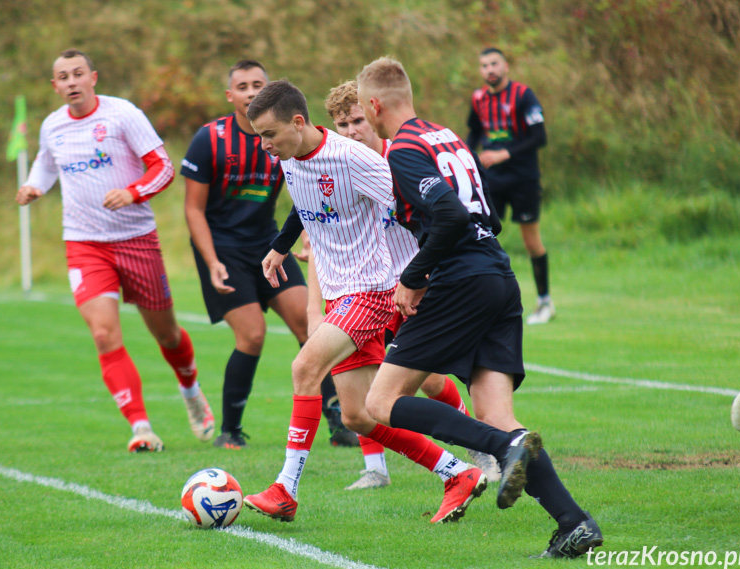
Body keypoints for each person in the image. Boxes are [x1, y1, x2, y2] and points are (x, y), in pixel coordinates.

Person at [357, 57, 603, 558]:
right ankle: (574, 522)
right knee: (497, 415)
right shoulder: (446, 136)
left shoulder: (402, 149)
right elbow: (482, 208)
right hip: (497, 274)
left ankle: (499, 450)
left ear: (374, 105)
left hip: (462, 280)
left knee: (378, 404)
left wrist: (413, 276)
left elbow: (448, 214)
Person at [241, 80, 487, 524]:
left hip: (373, 288)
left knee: (304, 368)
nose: (265, 146)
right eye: (260, 137)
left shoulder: (354, 159)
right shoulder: (290, 157)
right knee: (357, 414)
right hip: (339, 292)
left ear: (298, 123)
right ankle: (458, 473)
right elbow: (305, 205)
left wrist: (430, 270)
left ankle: (285, 489)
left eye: (269, 135)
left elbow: (409, 207)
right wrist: (281, 245)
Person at [16, 49, 215, 452]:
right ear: (54, 86)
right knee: (104, 334)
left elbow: (162, 167)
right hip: (85, 244)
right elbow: (46, 164)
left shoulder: (122, 115)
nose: (71, 82)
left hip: (136, 240)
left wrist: (133, 191)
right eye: (62, 77)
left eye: (77, 74)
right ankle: (140, 428)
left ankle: (191, 390)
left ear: (93, 77)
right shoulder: (52, 126)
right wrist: (35, 185)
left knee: (167, 334)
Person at [323, 80, 501, 489]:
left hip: (414, 285)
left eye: (356, 120)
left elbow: (447, 211)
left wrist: (421, 274)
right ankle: (376, 469)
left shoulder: (398, 159)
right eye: (341, 124)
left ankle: (480, 448)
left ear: (372, 114)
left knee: (431, 381)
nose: (351, 131)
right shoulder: (339, 168)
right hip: (367, 288)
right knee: (363, 384)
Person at [180, 60, 355, 449]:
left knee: (311, 327)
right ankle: (230, 430)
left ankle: (339, 422)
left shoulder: (283, 137)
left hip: (269, 243)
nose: (250, 91)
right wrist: (211, 262)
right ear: (230, 96)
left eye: (258, 84)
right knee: (253, 335)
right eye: (242, 85)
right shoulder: (211, 139)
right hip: (224, 249)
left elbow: (307, 193)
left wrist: (306, 237)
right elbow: (193, 209)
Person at [466, 48, 554, 325]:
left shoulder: (523, 96)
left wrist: (505, 153)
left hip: (523, 177)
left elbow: (539, 137)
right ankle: (489, 302)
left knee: (531, 241)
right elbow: (474, 133)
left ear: (505, 66)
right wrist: (465, 159)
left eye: (494, 64)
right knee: (483, 236)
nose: (489, 69)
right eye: (484, 65)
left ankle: (544, 302)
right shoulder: (479, 98)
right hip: (491, 180)